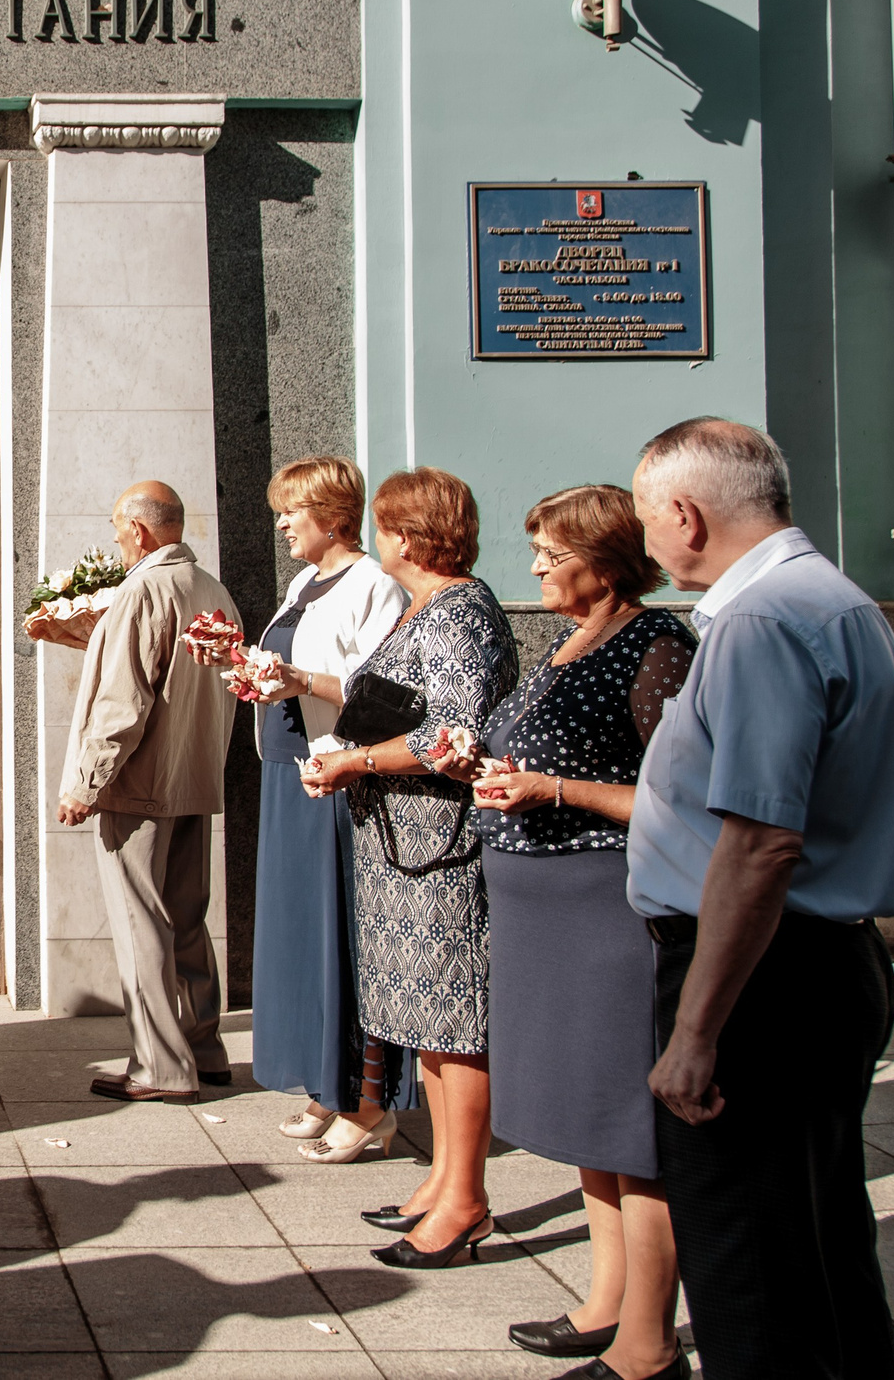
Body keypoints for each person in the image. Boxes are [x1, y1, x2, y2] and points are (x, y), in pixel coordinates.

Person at [628, 418, 894, 1380]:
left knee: (752, 1273)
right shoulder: (834, 599)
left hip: (763, 973)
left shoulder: (760, 620)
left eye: (646, 516)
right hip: (813, 960)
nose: (647, 539)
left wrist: (696, 1029)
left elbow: (759, 844)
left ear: (685, 514)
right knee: (822, 1253)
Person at [456, 486, 694, 1380]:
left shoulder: (656, 642)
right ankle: (605, 1301)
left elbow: (674, 796)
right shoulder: (569, 640)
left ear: (605, 558)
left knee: (629, 1128)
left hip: (603, 910)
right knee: (589, 1119)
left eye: (551, 555)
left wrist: (552, 789)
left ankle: (649, 1339)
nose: (536, 568)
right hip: (540, 910)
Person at [298, 467, 515, 1273]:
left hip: (439, 848)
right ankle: (442, 1179)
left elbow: (452, 730)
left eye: (386, 523)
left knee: (455, 1027)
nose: (376, 535)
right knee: (427, 1025)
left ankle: (466, 1199)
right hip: (402, 848)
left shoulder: (460, 611)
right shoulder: (426, 605)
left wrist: (354, 760)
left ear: (410, 536)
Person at [32, 480, 241, 1103]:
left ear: (140, 531)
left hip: (140, 783)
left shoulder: (143, 589)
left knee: (139, 922)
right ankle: (204, 1050)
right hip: (194, 776)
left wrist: (86, 783)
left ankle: (159, 1068)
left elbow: (124, 702)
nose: (117, 539)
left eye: (118, 528)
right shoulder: (212, 589)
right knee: (186, 918)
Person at [237, 457, 408, 1144]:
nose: (282, 524)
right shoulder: (303, 582)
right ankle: (322, 1083)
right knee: (300, 938)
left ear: (333, 517)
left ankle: (366, 1104)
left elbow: (381, 694)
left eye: (292, 511)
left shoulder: (375, 585)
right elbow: (293, 671)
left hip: (337, 775)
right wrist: (248, 671)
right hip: (288, 771)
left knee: (338, 936)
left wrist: (299, 677)